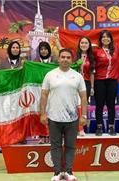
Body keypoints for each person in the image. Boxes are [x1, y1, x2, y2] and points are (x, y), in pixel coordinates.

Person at [40, 48, 88, 181]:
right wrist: (43, 114)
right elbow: (44, 95)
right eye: (63, 57)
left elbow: (83, 97)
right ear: (58, 59)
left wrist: (84, 115)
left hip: (72, 118)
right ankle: (56, 173)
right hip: (53, 117)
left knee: (70, 146)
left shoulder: (77, 76)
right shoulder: (50, 75)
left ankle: (68, 172)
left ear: (71, 60)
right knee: (55, 145)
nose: (65, 59)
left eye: (68, 57)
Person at [54, 33, 95, 136]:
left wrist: (92, 87)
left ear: (89, 45)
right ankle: (71, 129)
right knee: (72, 105)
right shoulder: (74, 55)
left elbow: (92, 73)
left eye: (86, 43)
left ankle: (81, 128)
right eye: (82, 42)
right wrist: (57, 40)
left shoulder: (91, 57)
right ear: (79, 44)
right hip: (72, 82)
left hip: (86, 83)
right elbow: (62, 50)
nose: (84, 44)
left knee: (82, 105)